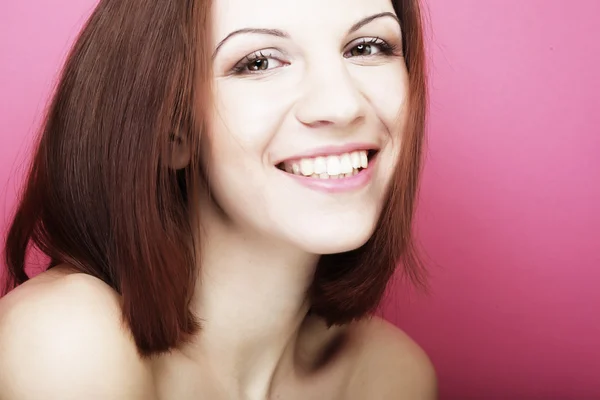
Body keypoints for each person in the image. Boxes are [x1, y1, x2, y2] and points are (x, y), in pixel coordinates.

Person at [0, 0, 436, 398]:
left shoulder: (387, 374)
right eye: (259, 61)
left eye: (367, 47)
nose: (342, 106)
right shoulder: (65, 340)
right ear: (173, 128)